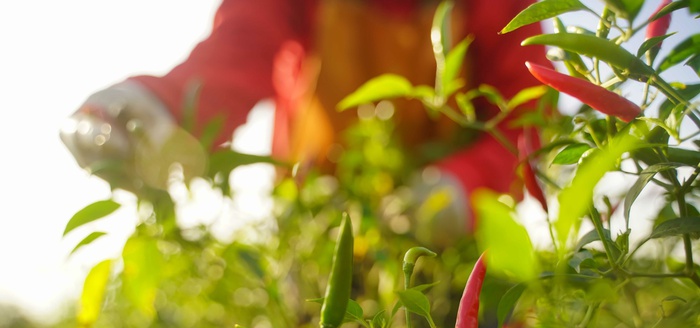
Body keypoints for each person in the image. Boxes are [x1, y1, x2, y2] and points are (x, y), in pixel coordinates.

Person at [60, 0, 546, 240]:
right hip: (321, 226)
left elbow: (524, 120)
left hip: (460, 240)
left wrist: (466, 185)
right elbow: (239, 52)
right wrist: (156, 103)